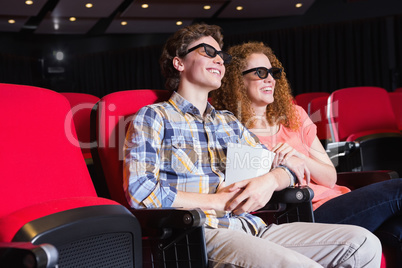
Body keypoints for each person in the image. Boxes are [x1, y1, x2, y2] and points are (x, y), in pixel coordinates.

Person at [123, 24, 382, 267]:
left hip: (253, 226)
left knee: (363, 244)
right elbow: (140, 191)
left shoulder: (229, 122)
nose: (219, 59)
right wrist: (216, 201)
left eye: (221, 55)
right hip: (202, 232)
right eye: (208, 52)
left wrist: (270, 180)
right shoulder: (154, 116)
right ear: (179, 62)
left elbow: (281, 164)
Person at [212, 41, 402, 265]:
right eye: (260, 73)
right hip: (304, 214)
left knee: (399, 230)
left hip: (340, 201)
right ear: (237, 81)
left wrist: (297, 157)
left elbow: (329, 177)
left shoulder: (295, 115)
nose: (270, 79)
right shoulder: (232, 129)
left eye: (273, 72)